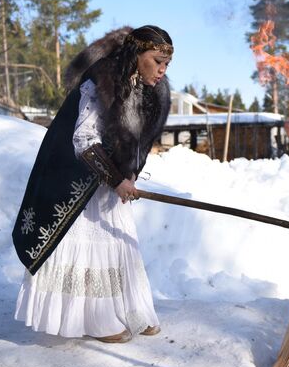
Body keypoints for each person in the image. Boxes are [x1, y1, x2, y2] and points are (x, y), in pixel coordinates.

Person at [13, 25, 173, 343]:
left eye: (167, 64)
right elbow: (84, 139)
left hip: (109, 181)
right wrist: (115, 180)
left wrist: (130, 175)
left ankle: (132, 309)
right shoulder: (101, 82)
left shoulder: (147, 89)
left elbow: (136, 142)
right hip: (77, 179)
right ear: (136, 55)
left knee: (121, 243)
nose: (162, 70)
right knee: (91, 243)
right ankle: (93, 319)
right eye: (157, 61)